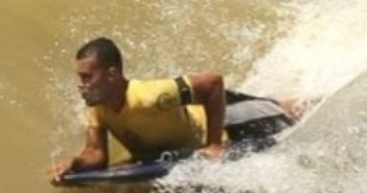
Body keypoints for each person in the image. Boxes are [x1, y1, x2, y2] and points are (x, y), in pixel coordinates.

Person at [49, 37, 298, 184]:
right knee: (280, 107)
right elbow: (96, 155)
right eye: (80, 78)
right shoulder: (98, 110)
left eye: (87, 77)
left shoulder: (149, 96)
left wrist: (214, 145)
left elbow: (212, 84)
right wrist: (75, 163)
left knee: (288, 113)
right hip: (204, 126)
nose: (81, 85)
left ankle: (314, 100)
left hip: (229, 121)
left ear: (112, 75)